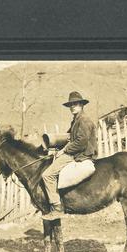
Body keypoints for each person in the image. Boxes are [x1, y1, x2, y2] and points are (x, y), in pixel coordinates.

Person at [42, 91, 97, 220]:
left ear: (82, 105)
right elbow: (70, 138)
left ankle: (56, 208)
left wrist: (65, 151)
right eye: (71, 104)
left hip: (80, 154)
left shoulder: (84, 120)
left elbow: (81, 142)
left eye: (76, 104)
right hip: (76, 151)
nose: (73, 106)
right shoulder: (76, 120)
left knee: (47, 175)